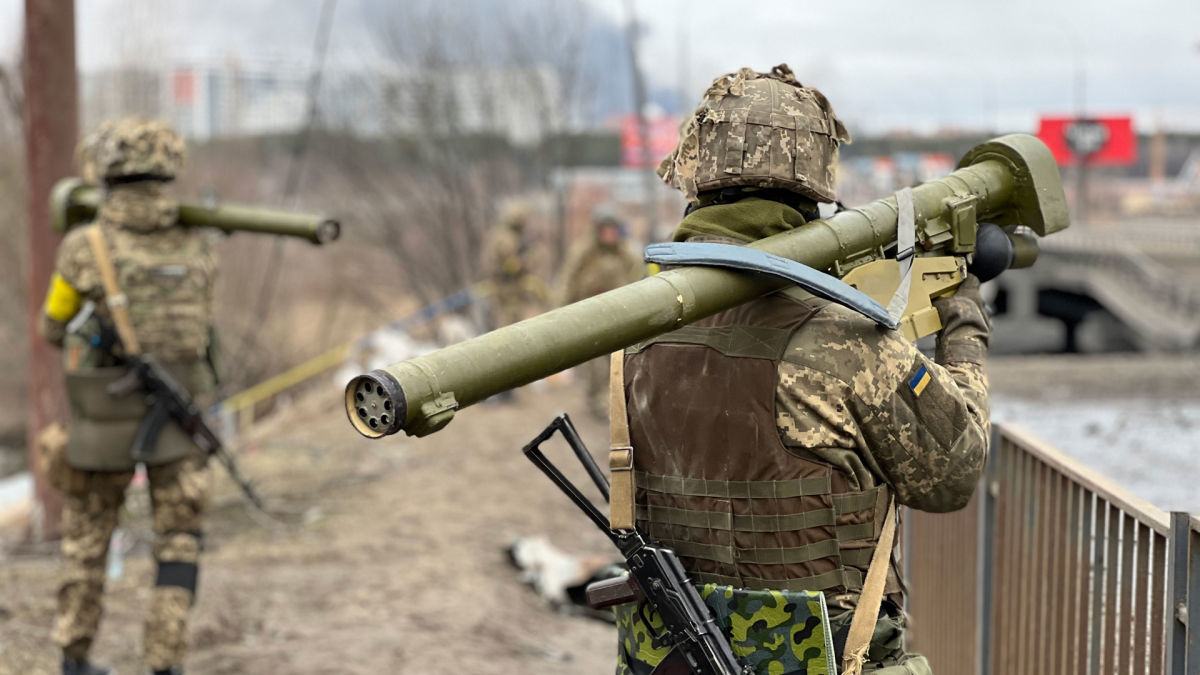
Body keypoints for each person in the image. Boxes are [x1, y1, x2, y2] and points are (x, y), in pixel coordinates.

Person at [612, 65, 990, 674]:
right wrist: (964, 319)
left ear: (696, 180)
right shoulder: (842, 341)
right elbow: (954, 474)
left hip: (673, 660)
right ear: (814, 189)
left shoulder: (634, 329)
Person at [38, 118, 218, 675]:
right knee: (179, 543)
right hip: (177, 419)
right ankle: (164, 662)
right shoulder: (197, 242)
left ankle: (75, 657)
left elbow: (52, 325)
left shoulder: (84, 246)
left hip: (103, 419)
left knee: (88, 541)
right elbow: (202, 329)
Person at [556, 205, 643, 418]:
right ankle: (597, 401)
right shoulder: (584, 252)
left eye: (613, 229)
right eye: (605, 229)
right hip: (590, 313)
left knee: (619, 362)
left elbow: (638, 281)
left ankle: (616, 402)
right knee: (595, 365)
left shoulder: (626, 253)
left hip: (618, 314)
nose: (609, 234)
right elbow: (568, 280)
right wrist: (560, 312)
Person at [481, 202, 545, 330]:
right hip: (506, 289)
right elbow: (512, 265)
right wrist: (529, 258)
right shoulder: (506, 238)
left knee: (513, 323)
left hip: (512, 289)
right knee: (508, 324)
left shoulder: (507, 236)